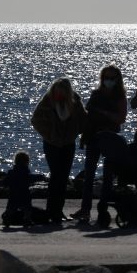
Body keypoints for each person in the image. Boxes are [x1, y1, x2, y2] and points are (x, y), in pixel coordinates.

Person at [73, 65, 127, 225]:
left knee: (108, 175)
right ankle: (85, 209)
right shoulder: (96, 94)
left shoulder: (120, 97)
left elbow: (120, 118)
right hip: (93, 137)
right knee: (89, 174)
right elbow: (88, 114)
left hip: (109, 138)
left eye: (111, 78)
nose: (108, 81)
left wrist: (103, 113)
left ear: (117, 80)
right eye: (106, 78)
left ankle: (103, 209)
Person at [30, 77, 87, 223]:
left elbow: (84, 120)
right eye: (57, 91)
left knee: (63, 178)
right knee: (56, 176)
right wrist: (49, 135)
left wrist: (75, 132)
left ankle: (58, 210)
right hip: (52, 144)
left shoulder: (75, 103)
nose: (59, 95)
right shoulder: (47, 102)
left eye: (62, 92)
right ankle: (51, 210)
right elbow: (36, 120)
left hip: (68, 144)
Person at [0, 151, 49, 226]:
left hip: (13, 195)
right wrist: (42, 177)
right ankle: (27, 220)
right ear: (27, 162)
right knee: (27, 210)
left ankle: (6, 220)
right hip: (24, 195)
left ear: (15, 161)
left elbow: (5, 182)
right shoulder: (25, 173)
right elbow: (32, 178)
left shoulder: (11, 173)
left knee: (10, 209)